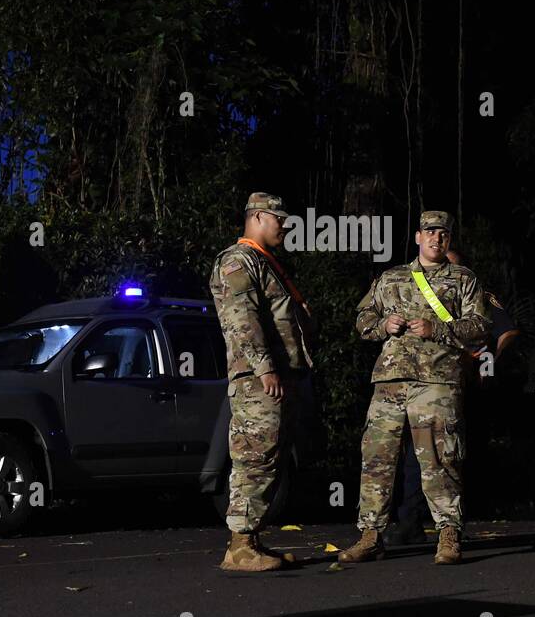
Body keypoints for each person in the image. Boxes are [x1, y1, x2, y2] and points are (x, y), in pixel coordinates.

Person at [338, 211, 491, 565]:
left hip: (437, 380)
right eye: (430, 232)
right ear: (418, 237)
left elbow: (481, 326)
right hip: (390, 380)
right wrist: (381, 325)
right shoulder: (390, 278)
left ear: (449, 240)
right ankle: (370, 535)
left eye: (443, 234)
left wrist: (437, 329)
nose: (436, 238)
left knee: (440, 458)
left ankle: (449, 534)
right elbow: (362, 319)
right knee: (377, 457)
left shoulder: (463, 280)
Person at [385, 244, 519, 546]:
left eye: (451, 265)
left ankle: (451, 524)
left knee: (450, 454)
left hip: (458, 385)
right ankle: (410, 520)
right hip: (422, 384)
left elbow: (507, 331)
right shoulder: (416, 295)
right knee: (416, 454)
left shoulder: (478, 297)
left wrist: (487, 363)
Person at [208, 192, 314, 572]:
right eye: (278, 219)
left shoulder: (261, 262)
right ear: (256, 217)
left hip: (273, 377)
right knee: (255, 457)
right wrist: (265, 368)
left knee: (268, 458)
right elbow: (242, 320)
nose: (284, 225)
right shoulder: (238, 260)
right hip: (257, 381)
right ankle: (239, 547)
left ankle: (249, 540)